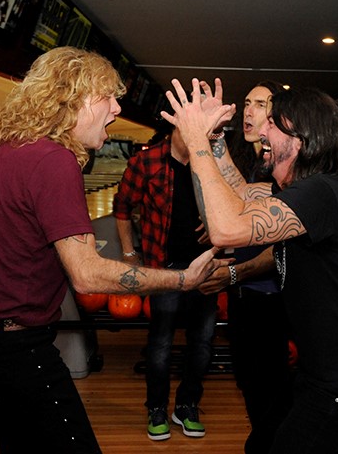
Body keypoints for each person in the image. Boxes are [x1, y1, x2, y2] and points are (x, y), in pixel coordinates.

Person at [0, 47, 226, 454]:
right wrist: (183, 279)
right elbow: (86, 274)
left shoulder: (0, 150)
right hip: (12, 346)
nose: (117, 108)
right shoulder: (54, 160)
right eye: (108, 96)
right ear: (74, 97)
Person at [163, 78, 338, 454]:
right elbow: (239, 196)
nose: (262, 130)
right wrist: (215, 137)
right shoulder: (299, 190)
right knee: (264, 440)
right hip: (324, 371)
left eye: (273, 123)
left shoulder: (323, 192)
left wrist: (195, 141)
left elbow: (226, 227)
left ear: (301, 139)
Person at [197, 80, 293, 454]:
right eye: (247, 102)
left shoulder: (287, 172)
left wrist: (233, 272)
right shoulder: (259, 165)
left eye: (260, 104)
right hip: (245, 296)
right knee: (250, 383)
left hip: (272, 299)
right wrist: (217, 136)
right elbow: (240, 194)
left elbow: (279, 251)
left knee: (272, 389)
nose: (249, 111)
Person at [112, 120, 218, 442]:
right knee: (161, 344)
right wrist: (129, 254)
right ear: (175, 125)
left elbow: (231, 204)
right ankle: (156, 408)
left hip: (206, 265)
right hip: (164, 268)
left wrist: (215, 225)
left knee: (203, 344)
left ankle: (186, 406)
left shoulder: (210, 160)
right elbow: (122, 206)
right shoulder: (146, 161)